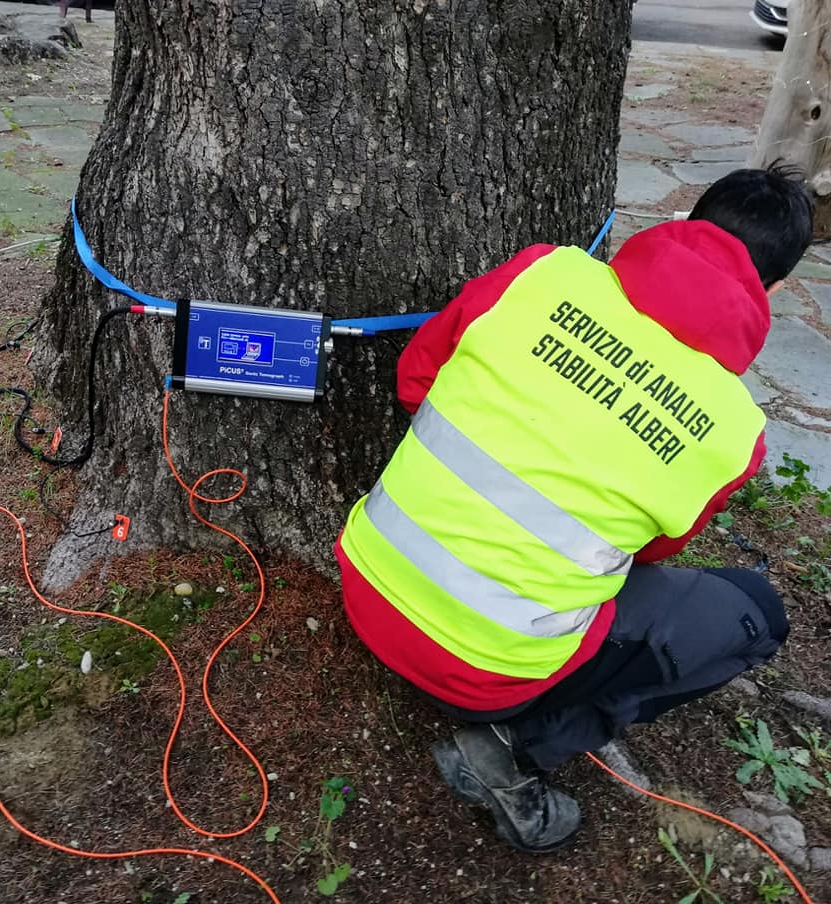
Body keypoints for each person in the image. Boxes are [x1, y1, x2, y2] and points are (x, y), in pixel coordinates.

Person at [335, 165, 814, 853]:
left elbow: (416, 379)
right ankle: (513, 745)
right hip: (488, 674)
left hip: (368, 582)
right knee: (754, 612)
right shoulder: (735, 431)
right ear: (773, 287)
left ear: (687, 225)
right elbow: (648, 553)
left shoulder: (544, 273)